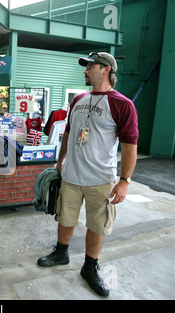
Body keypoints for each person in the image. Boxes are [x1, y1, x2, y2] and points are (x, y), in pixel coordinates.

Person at [37, 52, 139, 297]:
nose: (85, 71)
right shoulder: (79, 100)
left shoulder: (122, 104)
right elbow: (69, 133)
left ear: (106, 70)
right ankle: (61, 252)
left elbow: (130, 145)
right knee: (65, 216)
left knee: (97, 225)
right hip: (71, 176)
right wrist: (60, 160)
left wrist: (124, 181)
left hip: (100, 180)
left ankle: (90, 266)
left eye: (90, 66)